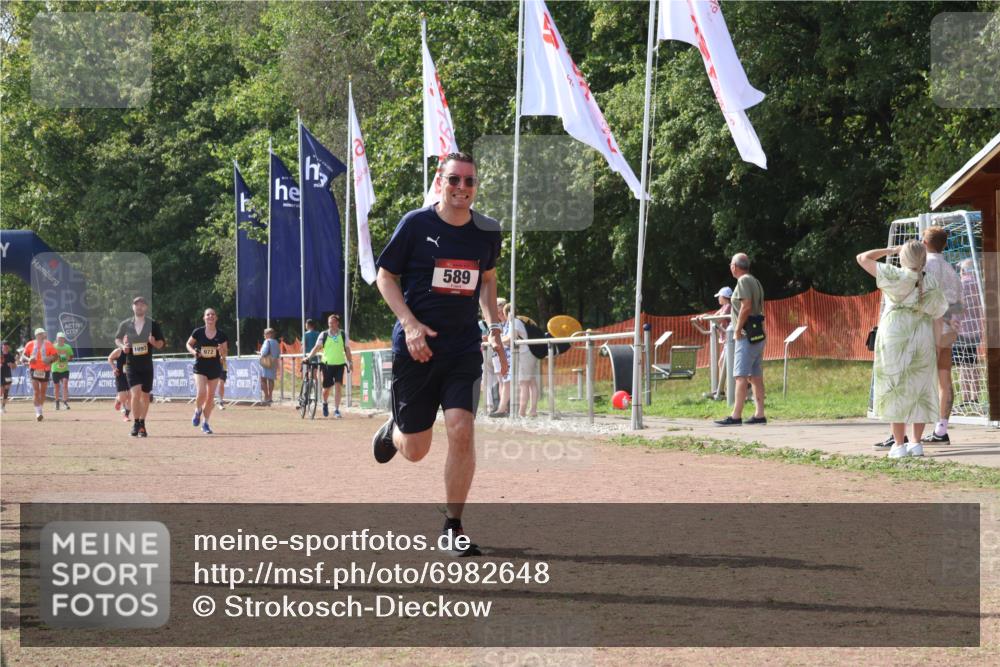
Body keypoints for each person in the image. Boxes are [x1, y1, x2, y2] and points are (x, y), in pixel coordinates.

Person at [371, 151, 507, 557]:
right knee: (416, 450)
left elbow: (488, 279)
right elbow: (385, 276)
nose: (462, 188)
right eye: (454, 180)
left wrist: (495, 328)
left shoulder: (487, 231)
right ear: (440, 181)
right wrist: (410, 325)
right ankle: (393, 429)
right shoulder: (416, 224)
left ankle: (453, 525)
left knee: (462, 431)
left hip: (463, 347)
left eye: (469, 181)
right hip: (418, 348)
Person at [857, 241, 947, 458]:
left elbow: (862, 257)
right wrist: (937, 346)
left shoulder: (894, 275)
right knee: (921, 388)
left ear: (904, 258)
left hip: (894, 335)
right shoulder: (932, 281)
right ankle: (916, 443)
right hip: (922, 336)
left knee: (894, 386)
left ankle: (898, 444)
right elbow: (938, 318)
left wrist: (891, 251)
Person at [919, 226, 962, 445]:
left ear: (925, 243)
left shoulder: (924, 266)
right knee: (944, 380)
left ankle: (907, 431)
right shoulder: (952, 270)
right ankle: (941, 429)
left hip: (930, 327)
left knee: (920, 378)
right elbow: (957, 305)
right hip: (950, 329)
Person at [715, 254, 767, 426]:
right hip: (757, 333)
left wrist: (737, 329)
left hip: (746, 335)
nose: (730, 267)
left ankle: (736, 415)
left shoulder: (743, 281)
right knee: (756, 376)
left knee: (740, 375)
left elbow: (746, 305)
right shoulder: (755, 281)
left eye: (731, 264)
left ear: (735, 267)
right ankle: (760, 414)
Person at [115, 296, 166, 437]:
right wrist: (122, 346)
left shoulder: (153, 324)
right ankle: (136, 423)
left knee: (145, 396)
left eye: (142, 305)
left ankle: (142, 423)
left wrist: (154, 342)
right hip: (131, 365)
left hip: (147, 365)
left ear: (146, 307)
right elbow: (117, 339)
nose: (139, 307)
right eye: (137, 305)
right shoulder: (126, 324)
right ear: (133, 307)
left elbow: (162, 343)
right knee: (135, 393)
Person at [186, 308, 229, 434]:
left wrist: (222, 351)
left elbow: (225, 353)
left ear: (216, 318)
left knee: (210, 397)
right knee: (202, 392)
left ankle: (206, 423)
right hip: (200, 367)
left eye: (213, 314)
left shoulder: (221, 335)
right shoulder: (198, 332)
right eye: (208, 314)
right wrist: (194, 352)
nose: (210, 316)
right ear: (204, 318)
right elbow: (188, 344)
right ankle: (198, 410)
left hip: (214, 367)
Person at [306, 313, 352, 418]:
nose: (330, 324)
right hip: (327, 365)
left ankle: (336, 410)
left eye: (332, 322)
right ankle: (325, 403)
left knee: (338, 387)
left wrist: (350, 362)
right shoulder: (324, 334)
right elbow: (317, 347)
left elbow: (347, 350)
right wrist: (308, 357)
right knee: (326, 389)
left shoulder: (343, 335)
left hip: (340, 364)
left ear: (337, 323)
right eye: (329, 323)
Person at [953, 259, 983, 410]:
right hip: (976, 329)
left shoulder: (961, 284)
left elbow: (958, 308)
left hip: (962, 329)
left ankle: (965, 398)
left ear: (963, 271)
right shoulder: (979, 284)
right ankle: (975, 396)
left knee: (962, 365)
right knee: (973, 362)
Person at [693, 286, 733, 399]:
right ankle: (722, 390)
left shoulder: (728, 306)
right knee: (723, 363)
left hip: (730, 340)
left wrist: (707, 318)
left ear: (724, 297)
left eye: (719, 296)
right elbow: (714, 316)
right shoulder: (725, 307)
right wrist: (702, 316)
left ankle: (724, 390)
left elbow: (718, 319)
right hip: (727, 341)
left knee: (723, 363)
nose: (718, 299)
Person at [504, 303, 540, 418]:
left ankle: (522, 411)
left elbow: (511, 338)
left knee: (523, 383)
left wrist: (498, 340)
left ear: (507, 313)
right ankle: (533, 410)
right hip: (532, 352)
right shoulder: (521, 320)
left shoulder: (514, 322)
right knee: (532, 382)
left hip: (525, 353)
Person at [20, 328, 57, 422]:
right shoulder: (30, 344)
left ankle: (40, 409)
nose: (41, 335)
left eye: (42, 334)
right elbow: (22, 356)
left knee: (43, 392)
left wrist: (49, 360)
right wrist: (29, 360)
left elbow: (56, 356)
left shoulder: (49, 344)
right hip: (34, 369)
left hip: (45, 370)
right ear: (36, 335)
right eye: (39, 334)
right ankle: (38, 413)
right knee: (36, 391)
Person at [488, 298, 510, 418]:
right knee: (501, 381)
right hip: (497, 354)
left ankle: (503, 408)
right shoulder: (497, 323)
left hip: (507, 355)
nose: (499, 314)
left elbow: (507, 338)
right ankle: (503, 407)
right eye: (497, 312)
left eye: (500, 311)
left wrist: (497, 340)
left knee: (505, 381)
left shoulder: (508, 323)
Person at [50, 332, 74, 410]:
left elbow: (71, 357)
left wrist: (64, 358)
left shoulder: (67, 347)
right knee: (56, 387)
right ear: (57, 339)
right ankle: (57, 402)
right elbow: (50, 357)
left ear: (64, 339)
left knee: (65, 384)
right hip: (55, 369)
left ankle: (65, 402)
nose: (60, 340)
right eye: (59, 338)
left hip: (65, 369)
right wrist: (56, 358)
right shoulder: (53, 347)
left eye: (62, 338)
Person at [108, 347, 131, 421]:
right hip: (120, 376)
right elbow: (110, 358)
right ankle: (118, 399)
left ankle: (126, 415)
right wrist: (114, 368)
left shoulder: (134, 350)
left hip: (132, 375)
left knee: (131, 396)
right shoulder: (118, 351)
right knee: (123, 397)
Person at [259, 328, 280, 405]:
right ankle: (270, 396)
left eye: (265, 334)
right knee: (271, 379)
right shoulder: (276, 342)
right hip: (274, 362)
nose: (264, 335)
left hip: (266, 362)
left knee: (263, 379)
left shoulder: (267, 341)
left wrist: (260, 353)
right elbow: (278, 353)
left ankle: (266, 396)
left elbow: (264, 352)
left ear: (269, 334)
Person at [1, 341, 15, 414]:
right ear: (2, 347)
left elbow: (14, 367)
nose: (6, 347)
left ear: (8, 347)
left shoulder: (11, 356)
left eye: (7, 346)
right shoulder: (0, 355)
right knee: (1, 391)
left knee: (6, 391)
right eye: (4, 346)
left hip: (8, 375)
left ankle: (3, 407)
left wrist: (11, 365)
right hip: (0, 375)